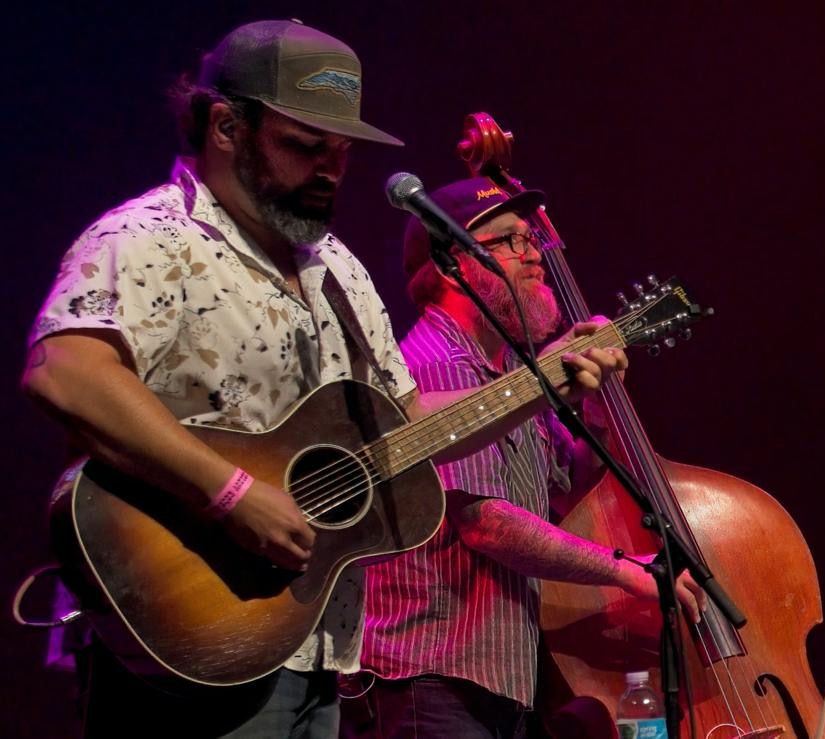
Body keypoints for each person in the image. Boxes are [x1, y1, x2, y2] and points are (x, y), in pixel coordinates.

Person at [20, 21, 621, 738]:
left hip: (315, 644)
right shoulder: (149, 237)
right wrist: (231, 492)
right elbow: (66, 374)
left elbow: (407, 423)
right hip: (184, 634)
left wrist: (542, 385)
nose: (331, 169)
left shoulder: (338, 268)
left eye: (341, 150)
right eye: (307, 145)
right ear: (225, 126)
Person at [347, 179, 692, 738]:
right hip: (431, 677)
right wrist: (627, 570)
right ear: (451, 266)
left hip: (487, 677)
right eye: (508, 241)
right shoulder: (434, 365)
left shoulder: (509, 374)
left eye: (531, 239)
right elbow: (485, 522)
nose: (533, 254)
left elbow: (569, 486)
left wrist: (599, 403)